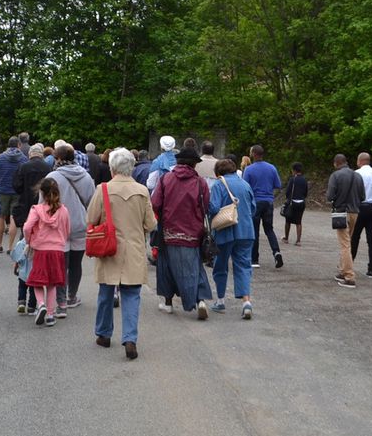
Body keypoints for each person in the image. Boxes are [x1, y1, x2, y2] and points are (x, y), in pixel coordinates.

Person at [86, 148, 158, 359]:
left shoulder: (103, 189)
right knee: (132, 295)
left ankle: (104, 333)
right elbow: (151, 224)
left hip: (109, 248)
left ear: (112, 167)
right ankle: (130, 338)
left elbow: (91, 218)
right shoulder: (142, 191)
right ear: (131, 167)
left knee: (106, 293)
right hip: (133, 248)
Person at [151, 147, 213, 319]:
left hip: (168, 231)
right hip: (193, 232)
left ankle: (168, 302)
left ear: (177, 162)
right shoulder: (200, 182)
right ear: (194, 164)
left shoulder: (165, 179)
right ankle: (200, 300)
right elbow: (206, 206)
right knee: (195, 266)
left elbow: (155, 203)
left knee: (166, 266)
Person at [42, 144, 95, 318]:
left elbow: (43, 203)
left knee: (61, 265)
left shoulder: (52, 177)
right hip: (80, 224)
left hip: (58, 226)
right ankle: (72, 296)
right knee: (76, 264)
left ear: (57, 158)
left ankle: (61, 300)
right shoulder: (85, 176)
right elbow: (92, 202)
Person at [207, 159, 256, 319]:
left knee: (220, 266)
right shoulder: (245, 184)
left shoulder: (219, 185)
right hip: (246, 230)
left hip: (224, 232)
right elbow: (253, 208)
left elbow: (213, 208)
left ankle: (220, 301)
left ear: (218, 172)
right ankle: (246, 302)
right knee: (243, 266)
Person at [23, 178, 70, 326]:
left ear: (41, 193)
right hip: (57, 250)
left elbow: (27, 227)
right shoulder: (63, 210)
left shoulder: (36, 210)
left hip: (40, 249)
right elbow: (68, 229)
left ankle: (41, 304)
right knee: (52, 283)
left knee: (37, 280)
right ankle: (50, 315)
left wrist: (29, 239)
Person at [242, 145, 284, 269]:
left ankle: (254, 259)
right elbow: (278, 184)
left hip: (255, 202)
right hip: (268, 202)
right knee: (269, 229)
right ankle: (276, 252)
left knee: (254, 230)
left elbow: (245, 187)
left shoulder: (249, 169)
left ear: (254, 154)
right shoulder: (272, 168)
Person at [327, 154, 365, 288]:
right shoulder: (358, 176)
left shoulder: (335, 176)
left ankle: (349, 276)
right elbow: (363, 196)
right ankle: (343, 271)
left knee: (345, 244)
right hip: (355, 212)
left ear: (336, 163)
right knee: (348, 242)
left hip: (342, 212)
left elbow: (330, 196)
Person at [352, 153, 372, 278]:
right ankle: (371, 268)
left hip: (360, 207)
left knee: (355, 237)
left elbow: (353, 193)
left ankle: (350, 264)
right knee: (371, 239)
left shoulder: (357, 174)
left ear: (360, 161)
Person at [0, 136, 26, 252]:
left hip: (3, 190)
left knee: (1, 216)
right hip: (17, 191)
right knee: (13, 217)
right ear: (19, 145)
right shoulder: (23, 158)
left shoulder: (0, 158)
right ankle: (11, 246)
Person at [11, 144, 52, 237]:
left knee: (26, 231)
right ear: (41, 154)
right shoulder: (47, 167)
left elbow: (16, 186)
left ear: (30, 154)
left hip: (26, 203)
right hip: (43, 203)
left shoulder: (23, 167)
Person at [282, 163, 308, 245]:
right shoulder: (304, 179)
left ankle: (286, 238)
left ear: (294, 170)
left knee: (288, 220)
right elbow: (306, 192)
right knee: (298, 222)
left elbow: (288, 192)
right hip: (301, 203)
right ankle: (298, 240)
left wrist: (288, 198)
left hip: (292, 203)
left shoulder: (292, 179)